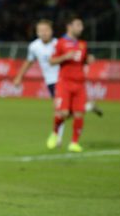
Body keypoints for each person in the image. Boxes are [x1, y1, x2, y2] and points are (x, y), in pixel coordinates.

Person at [14, 19, 102, 146]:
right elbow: (29, 61)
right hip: (50, 81)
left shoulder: (59, 43)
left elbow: (78, 56)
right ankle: (85, 108)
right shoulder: (34, 46)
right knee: (63, 111)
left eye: (46, 30)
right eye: (40, 30)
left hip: (62, 80)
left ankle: (58, 138)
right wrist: (19, 77)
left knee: (61, 111)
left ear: (51, 31)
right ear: (37, 32)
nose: (43, 33)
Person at [47, 15, 95, 152]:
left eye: (81, 25)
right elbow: (51, 61)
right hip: (65, 83)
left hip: (80, 84)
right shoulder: (60, 43)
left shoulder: (83, 44)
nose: (81, 28)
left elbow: (84, 60)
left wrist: (89, 60)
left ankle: (74, 143)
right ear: (69, 26)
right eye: (78, 25)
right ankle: (55, 133)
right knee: (63, 113)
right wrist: (64, 57)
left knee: (79, 114)